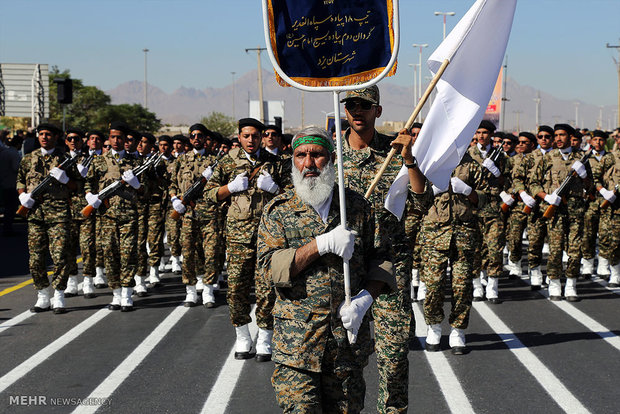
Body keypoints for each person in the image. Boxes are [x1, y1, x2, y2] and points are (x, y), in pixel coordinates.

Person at [257, 126, 396, 413]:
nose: (309, 163)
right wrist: (319, 245)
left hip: (346, 345)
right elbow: (269, 269)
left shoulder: (357, 207)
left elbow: (383, 259)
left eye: (317, 155)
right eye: (301, 155)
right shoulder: (279, 211)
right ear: (292, 160)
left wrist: (365, 300)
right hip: (297, 347)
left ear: (331, 159)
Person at [339, 86, 431, 414]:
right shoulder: (331, 156)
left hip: (391, 265)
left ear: (378, 111)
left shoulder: (393, 151)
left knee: (393, 358)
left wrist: (409, 159)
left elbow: (422, 201)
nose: (357, 111)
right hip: (347, 268)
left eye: (365, 105)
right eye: (351, 105)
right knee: (347, 358)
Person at [206, 118, 286, 362]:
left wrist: (274, 189)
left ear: (262, 136)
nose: (250, 140)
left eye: (255, 135)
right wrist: (229, 188)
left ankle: (264, 337)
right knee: (237, 288)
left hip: (269, 236)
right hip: (239, 236)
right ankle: (242, 335)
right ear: (239, 137)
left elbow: (293, 196)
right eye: (246, 135)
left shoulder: (276, 163)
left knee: (267, 289)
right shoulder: (227, 161)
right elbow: (209, 194)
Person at [422, 151, 487, 355]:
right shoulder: (430, 162)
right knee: (433, 284)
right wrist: (432, 191)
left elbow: (485, 199)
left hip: (464, 232)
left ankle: (458, 330)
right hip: (435, 232)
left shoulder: (473, 166)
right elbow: (414, 196)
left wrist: (468, 191)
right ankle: (434, 326)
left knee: (462, 285)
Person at [16, 123, 76, 314]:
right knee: (36, 258)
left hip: (58, 214)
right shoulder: (28, 158)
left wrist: (65, 179)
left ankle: (58, 294)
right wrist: (22, 196)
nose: (44, 137)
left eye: (48, 134)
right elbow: (20, 180)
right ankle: (42, 294)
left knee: (60, 255)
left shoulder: (65, 159)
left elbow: (78, 186)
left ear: (56, 137)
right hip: (35, 214)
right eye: (41, 134)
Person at [530, 124, 592, 301]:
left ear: (570, 137)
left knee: (574, 249)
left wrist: (584, 176)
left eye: (562, 135)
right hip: (555, 210)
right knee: (555, 250)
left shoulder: (581, 159)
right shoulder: (547, 157)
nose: (558, 138)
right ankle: (555, 283)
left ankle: (571, 283)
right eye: (556, 135)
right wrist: (546, 197)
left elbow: (590, 187)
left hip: (576, 210)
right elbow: (534, 183)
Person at [85, 122, 141, 311]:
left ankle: (126, 293)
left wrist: (137, 185)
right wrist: (90, 197)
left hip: (129, 215)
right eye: (113, 137)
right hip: (106, 216)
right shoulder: (99, 161)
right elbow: (88, 183)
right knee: (109, 254)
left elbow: (147, 192)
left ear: (126, 139)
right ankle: (115, 292)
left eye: (120, 137)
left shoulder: (136, 163)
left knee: (128, 255)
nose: (116, 141)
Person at [169, 124, 220, 307]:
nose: (196, 138)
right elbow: (172, 184)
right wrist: (175, 199)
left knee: (211, 252)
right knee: (188, 253)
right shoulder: (182, 160)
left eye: (199, 135)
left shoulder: (215, 161)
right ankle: (190, 290)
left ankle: (208, 289)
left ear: (205, 138)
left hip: (209, 214)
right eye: (193, 136)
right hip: (187, 214)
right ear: (189, 139)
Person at [469, 120, 509, 304]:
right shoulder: (468, 154)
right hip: (473, 207)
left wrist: (496, 172)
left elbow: (507, 183)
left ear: (492, 135)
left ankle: (493, 286)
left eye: (485, 132)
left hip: (493, 207)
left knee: (494, 249)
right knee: (475, 249)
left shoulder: (500, 156)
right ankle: (477, 285)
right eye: (478, 132)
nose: (481, 136)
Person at [63, 128, 98, 298]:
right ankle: (71, 280)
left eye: (76, 139)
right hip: (65, 210)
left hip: (85, 209)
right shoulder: (60, 159)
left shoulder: (90, 159)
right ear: (65, 141)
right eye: (70, 139)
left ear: (82, 141)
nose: (73, 142)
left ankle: (88, 280)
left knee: (87, 247)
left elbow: (93, 181)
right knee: (68, 247)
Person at [520, 126, 555, 289]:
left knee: (556, 245)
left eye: (547, 136)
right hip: (535, 207)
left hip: (555, 207)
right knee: (534, 243)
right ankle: (535, 272)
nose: (543, 139)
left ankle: (552, 274)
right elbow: (518, 178)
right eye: (540, 136)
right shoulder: (529, 158)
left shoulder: (558, 157)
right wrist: (523, 194)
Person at [503, 132, 536, 278]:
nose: (520, 145)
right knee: (514, 237)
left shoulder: (538, 159)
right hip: (517, 204)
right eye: (519, 142)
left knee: (535, 239)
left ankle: (533, 267)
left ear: (532, 145)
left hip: (535, 203)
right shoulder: (512, 160)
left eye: (525, 142)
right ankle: (515, 264)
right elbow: (505, 179)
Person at [582, 130, 614, 277]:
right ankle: (588, 263)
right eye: (595, 139)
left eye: (601, 140)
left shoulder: (612, 158)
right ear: (591, 141)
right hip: (590, 200)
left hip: (608, 201)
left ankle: (603, 264)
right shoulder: (585, 158)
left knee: (605, 234)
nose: (598, 142)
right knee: (588, 234)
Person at [593, 143, 619, 286]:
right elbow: (595, 177)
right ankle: (615, 273)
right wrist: (604, 192)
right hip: (615, 208)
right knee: (614, 242)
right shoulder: (611, 158)